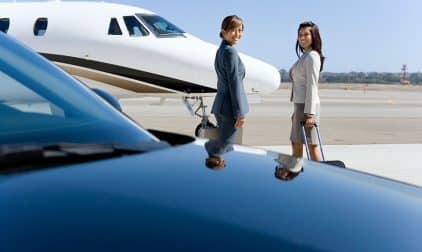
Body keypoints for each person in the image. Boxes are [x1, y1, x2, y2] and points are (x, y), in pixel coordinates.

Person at [205, 15, 249, 168]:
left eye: (240, 30)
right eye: (233, 30)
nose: (237, 34)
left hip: (221, 106)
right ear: (223, 31)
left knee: (223, 149)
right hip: (230, 109)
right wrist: (239, 112)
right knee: (224, 149)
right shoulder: (230, 52)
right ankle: (205, 154)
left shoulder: (221, 50)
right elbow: (234, 83)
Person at [289, 21, 325, 161]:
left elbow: (312, 85)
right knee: (296, 142)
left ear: (314, 36)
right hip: (300, 105)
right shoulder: (305, 56)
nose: (302, 37)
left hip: (307, 107)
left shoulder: (312, 56)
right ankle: (297, 173)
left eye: (306, 34)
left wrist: (310, 113)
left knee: (311, 145)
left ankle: (320, 176)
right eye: (300, 34)